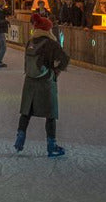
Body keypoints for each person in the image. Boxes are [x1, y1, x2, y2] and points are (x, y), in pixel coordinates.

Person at [14, 14, 70, 157]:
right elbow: (64, 59)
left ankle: (20, 138)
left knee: (26, 111)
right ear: (48, 29)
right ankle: (51, 146)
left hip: (29, 81)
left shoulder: (30, 42)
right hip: (46, 81)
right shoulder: (51, 43)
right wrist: (56, 71)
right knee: (50, 114)